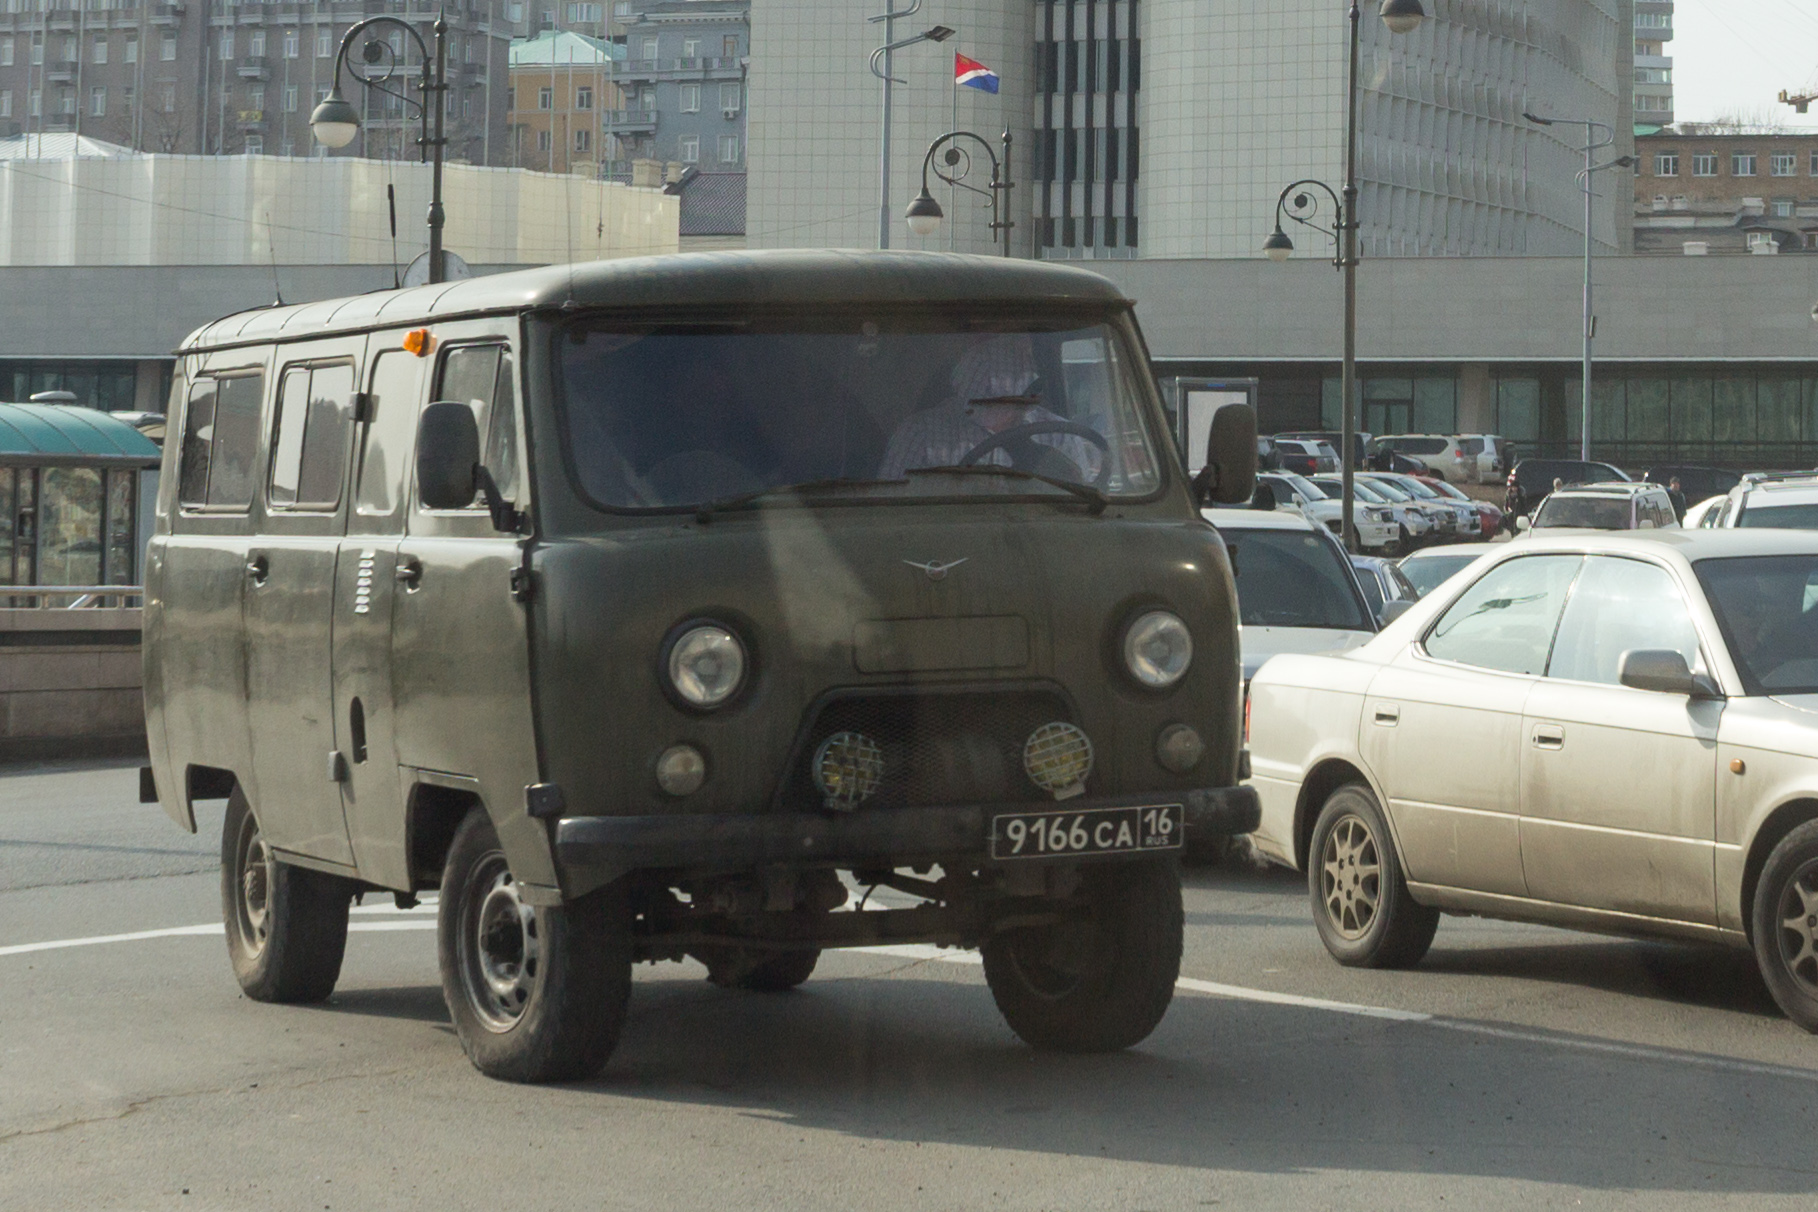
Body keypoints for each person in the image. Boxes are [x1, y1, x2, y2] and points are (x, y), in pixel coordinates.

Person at [879, 334, 1100, 481]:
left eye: (1003, 400)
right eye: (983, 398)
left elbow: (1079, 513)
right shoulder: (920, 434)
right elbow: (890, 513)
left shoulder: (1061, 438)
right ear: (961, 390)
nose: (994, 410)